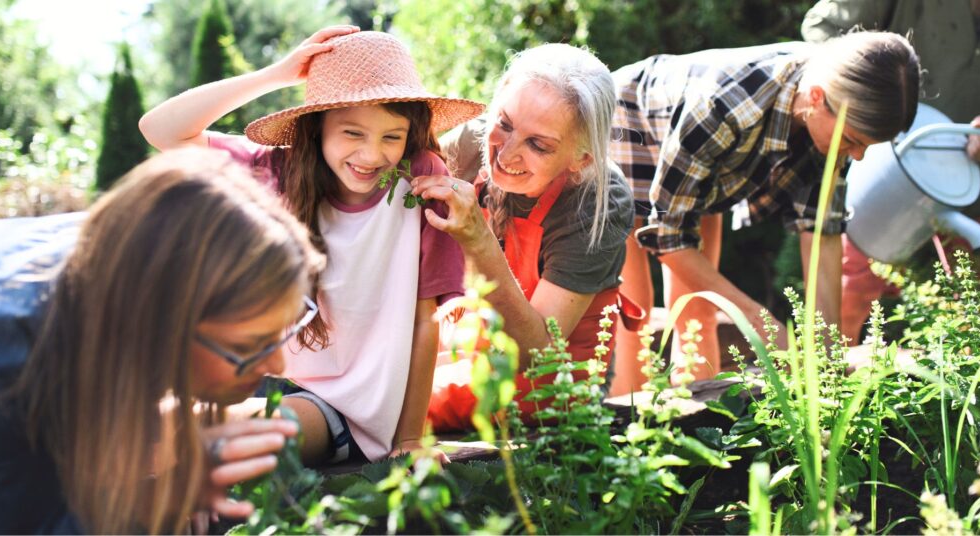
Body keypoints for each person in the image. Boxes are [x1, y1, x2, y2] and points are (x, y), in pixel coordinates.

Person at [139, 28, 485, 463]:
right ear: (317, 126)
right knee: (135, 415)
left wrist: (410, 439)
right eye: (353, 133)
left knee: (198, 435)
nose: (371, 155)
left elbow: (424, 319)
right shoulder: (281, 169)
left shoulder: (421, 180)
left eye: (391, 137)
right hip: (264, 376)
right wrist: (277, 74)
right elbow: (161, 130)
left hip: (345, 407)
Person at [0, 148, 324, 534]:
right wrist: (162, 497)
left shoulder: (136, 258)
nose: (277, 367)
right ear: (165, 330)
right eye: (247, 346)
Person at [609, 31, 921, 387]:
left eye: (866, 145)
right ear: (816, 98)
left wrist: (826, 358)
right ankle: (625, 415)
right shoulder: (726, 107)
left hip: (701, 164)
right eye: (852, 140)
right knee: (633, 312)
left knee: (698, 312)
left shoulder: (835, 104)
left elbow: (821, 233)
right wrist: (761, 323)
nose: (858, 156)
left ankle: (694, 413)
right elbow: (668, 239)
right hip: (630, 122)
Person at [412, 43, 638, 431]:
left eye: (538, 145)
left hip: (546, 388)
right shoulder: (472, 144)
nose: (506, 155)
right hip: (465, 349)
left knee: (385, 403)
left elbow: (537, 355)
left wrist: (478, 240)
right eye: (504, 123)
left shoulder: (596, 202)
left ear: (581, 158)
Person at [802, 0, 980, 343]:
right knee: (851, 291)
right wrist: (871, 111)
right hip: (882, 166)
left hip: (975, 184)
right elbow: (821, 32)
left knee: (975, 312)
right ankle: (826, 375)